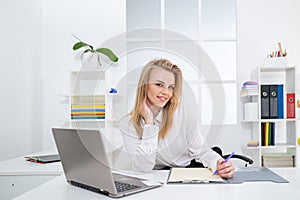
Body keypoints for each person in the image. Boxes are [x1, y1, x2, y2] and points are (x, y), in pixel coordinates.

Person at [119, 58, 234, 178]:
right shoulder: (127, 124)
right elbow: (142, 169)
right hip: (160, 176)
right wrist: (149, 124)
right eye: (159, 85)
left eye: (171, 87)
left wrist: (219, 165)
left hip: (189, 169)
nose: (166, 92)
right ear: (144, 85)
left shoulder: (183, 113)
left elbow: (202, 152)